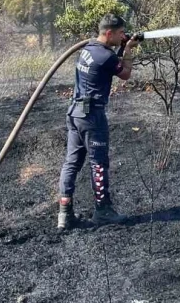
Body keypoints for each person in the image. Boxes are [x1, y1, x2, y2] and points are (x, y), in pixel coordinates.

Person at [57, 13, 142, 230]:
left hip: (75, 113)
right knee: (99, 163)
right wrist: (129, 49)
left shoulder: (88, 50)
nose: (124, 36)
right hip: (92, 117)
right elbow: (125, 74)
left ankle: (64, 214)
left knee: (71, 163)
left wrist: (123, 47)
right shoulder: (106, 57)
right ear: (109, 33)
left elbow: (111, 62)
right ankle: (103, 210)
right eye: (121, 33)